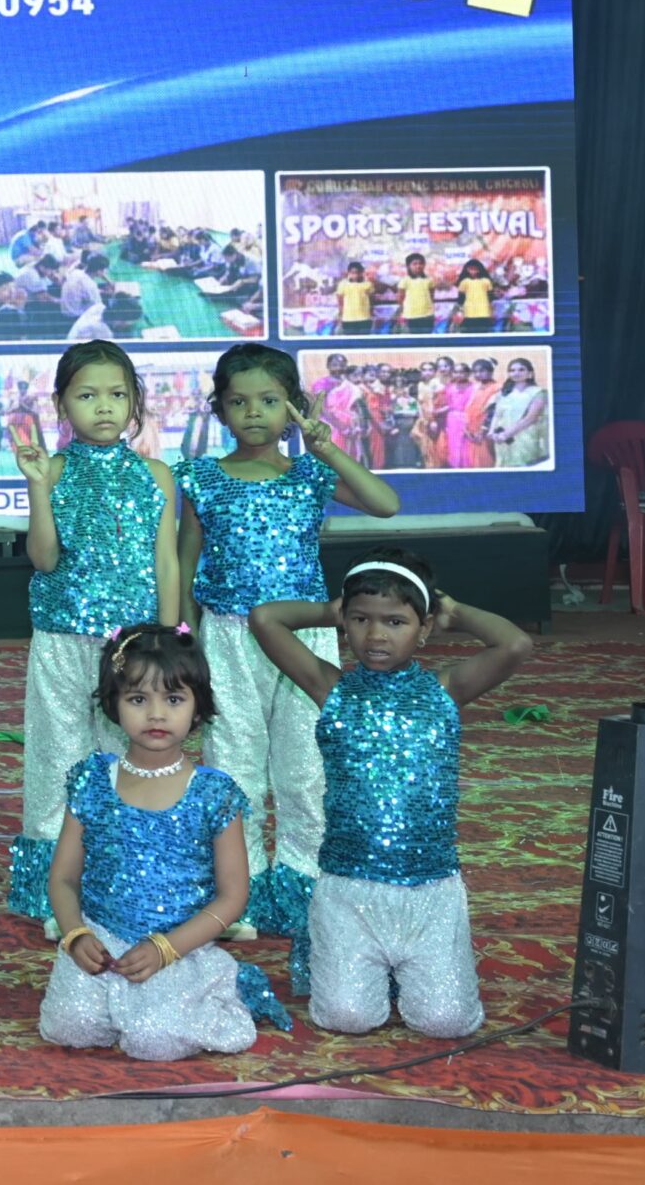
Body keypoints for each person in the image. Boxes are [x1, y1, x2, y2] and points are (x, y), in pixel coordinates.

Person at [174, 344, 401, 940]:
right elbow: (186, 561)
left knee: (305, 767)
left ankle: (305, 885)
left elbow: (385, 504)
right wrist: (185, 639)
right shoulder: (199, 477)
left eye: (270, 400)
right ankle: (238, 892)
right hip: (227, 636)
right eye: (239, 402)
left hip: (305, 639)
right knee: (234, 761)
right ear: (220, 410)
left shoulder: (310, 473)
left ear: (294, 408)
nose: (254, 412)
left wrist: (325, 447)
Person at [253, 558, 531, 1030]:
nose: (376, 635)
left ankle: (406, 970)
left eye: (396, 622)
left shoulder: (446, 689)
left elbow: (516, 644)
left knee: (446, 1021)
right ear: (346, 622)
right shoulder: (331, 688)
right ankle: (366, 965)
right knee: (345, 1017)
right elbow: (265, 619)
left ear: (424, 629)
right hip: (348, 890)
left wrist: (454, 612)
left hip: (430, 891)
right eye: (361, 620)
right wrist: (329, 611)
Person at [40, 624, 285, 1060]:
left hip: (179, 944)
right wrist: (76, 934)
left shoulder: (213, 792)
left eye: (173, 700)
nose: (156, 714)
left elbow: (233, 897)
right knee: (69, 1026)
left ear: (198, 707)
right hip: (102, 939)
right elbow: (62, 878)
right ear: (114, 704)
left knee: (155, 1040)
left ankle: (217, 988)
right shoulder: (93, 781)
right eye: (138, 699)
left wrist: (167, 948)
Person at [8, 342, 181, 926]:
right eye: (86, 395)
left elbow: (166, 563)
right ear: (61, 405)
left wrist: (170, 640)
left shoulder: (156, 476)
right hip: (62, 639)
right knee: (57, 758)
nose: (103, 407)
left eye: (116, 394)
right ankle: (55, 891)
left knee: (129, 756)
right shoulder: (53, 471)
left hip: (134, 648)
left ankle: (129, 878)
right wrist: (37, 487)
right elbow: (44, 560)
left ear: (135, 402)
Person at [489, 357, 549, 466]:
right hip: (502, 440)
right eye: (512, 370)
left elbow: (530, 418)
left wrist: (506, 434)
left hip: (525, 437)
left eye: (521, 370)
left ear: (530, 373)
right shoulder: (504, 393)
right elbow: (497, 414)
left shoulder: (538, 392)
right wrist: (492, 432)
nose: (516, 373)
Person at [452, 259, 496, 333]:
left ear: (479, 270)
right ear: (467, 270)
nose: (473, 271)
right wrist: (459, 312)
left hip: (484, 312)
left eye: (475, 269)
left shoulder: (486, 281)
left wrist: (492, 311)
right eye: (471, 269)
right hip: (469, 313)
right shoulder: (464, 282)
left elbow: (491, 298)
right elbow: (461, 299)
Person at [398, 254, 437, 335]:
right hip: (411, 315)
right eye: (415, 264)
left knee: (427, 337)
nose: (418, 266)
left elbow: (431, 295)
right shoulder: (405, 280)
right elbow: (401, 297)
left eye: (420, 263)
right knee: (414, 338)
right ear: (408, 266)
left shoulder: (429, 280)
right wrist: (403, 311)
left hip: (427, 314)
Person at [334, 261, 375, 336]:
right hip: (348, 319)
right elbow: (340, 301)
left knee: (364, 340)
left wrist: (371, 312)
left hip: (364, 318)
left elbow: (372, 299)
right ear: (348, 273)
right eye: (353, 273)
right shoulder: (343, 284)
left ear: (361, 273)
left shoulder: (368, 284)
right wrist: (341, 315)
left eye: (358, 272)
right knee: (350, 341)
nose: (355, 275)